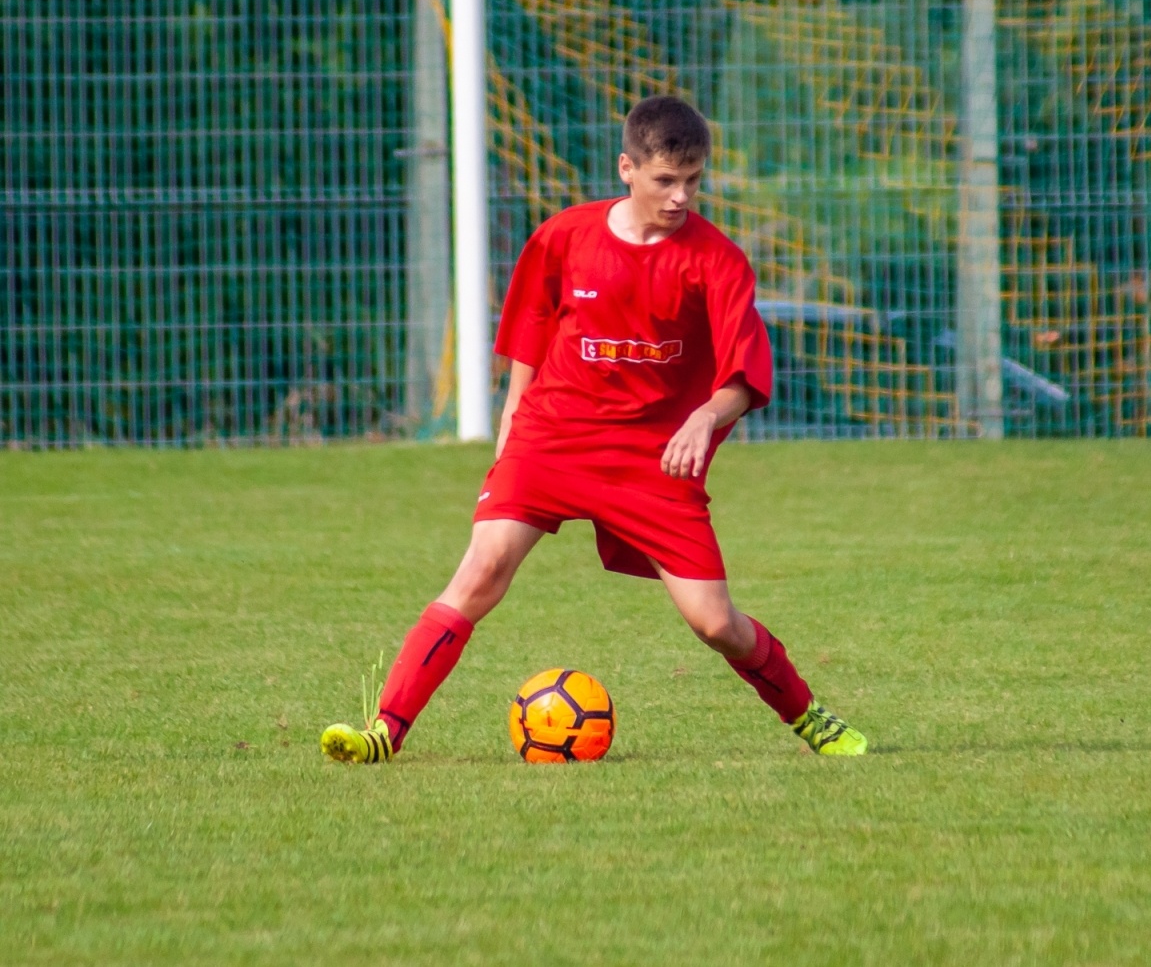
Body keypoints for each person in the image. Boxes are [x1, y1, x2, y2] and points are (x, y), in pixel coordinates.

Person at [321, 95, 867, 763]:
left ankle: (810, 716)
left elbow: (743, 373)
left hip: (651, 459)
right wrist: (512, 424)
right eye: (665, 180)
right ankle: (384, 732)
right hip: (553, 437)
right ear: (627, 169)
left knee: (715, 622)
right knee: (480, 572)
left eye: (693, 180)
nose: (680, 196)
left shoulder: (717, 261)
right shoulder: (565, 237)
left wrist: (704, 416)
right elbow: (530, 331)